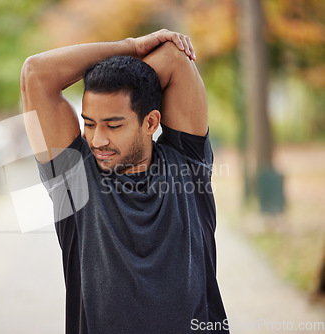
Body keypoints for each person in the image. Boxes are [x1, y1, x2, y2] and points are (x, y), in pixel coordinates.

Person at [20, 29, 229, 333]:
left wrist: (132, 81)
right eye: (89, 123)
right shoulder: (73, 177)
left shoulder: (187, 164)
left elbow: (174, 58)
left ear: (150, 122)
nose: (97, 139)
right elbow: (35, 73)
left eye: (113, 124)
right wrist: (129, 48)